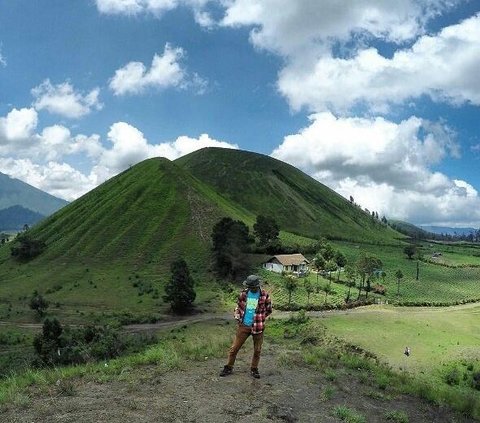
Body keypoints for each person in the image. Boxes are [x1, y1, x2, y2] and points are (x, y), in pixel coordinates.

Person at [219, 274, 273, 379]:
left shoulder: (264, 295)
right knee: (234, 348)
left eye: (253, 287)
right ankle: (228, 367)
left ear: (257, 286)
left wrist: (260, 318)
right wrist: (237, 315)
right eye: (250, 287)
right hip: (244, 326)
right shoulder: (243, 294)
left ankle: (254, 369)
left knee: (257, 350)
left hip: (258, 328)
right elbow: (238, 307)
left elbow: (269, 310)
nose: (251, 289)